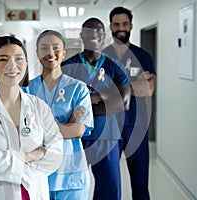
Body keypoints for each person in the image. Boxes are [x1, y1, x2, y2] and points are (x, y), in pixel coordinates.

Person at [0, 36, 63, 200]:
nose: (12, 65)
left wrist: (16, 169)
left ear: (26, 64)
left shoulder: (39, 107)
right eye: (3, 59)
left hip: (34, 193)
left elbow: (55, 154)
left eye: (19, 59)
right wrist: (30, 156)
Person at [62, 18, 131, 200]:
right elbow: (64, 105)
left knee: (109, 189)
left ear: (104, 35)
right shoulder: (67, 67)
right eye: (89, 31)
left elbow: (123, 102)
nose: (94, 34)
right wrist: (109, 94)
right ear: (82, 35)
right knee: (72, 188)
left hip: (107, 138)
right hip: (75, 138)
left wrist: (91, 99)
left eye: (99, 30)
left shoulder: (114, 66)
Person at [23, 30, 93, 200]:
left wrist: (39, 128)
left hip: (71, 174)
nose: (50, 53)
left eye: (56, 48)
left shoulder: (78, 88)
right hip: (37, 173)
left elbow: (78, 131)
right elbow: (23, 131)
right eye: (44, 48)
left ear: (63, 53)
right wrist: (68, 122)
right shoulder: (26, 90)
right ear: (37, 53)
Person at [103, 6, 156, 200]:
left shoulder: (143, 56)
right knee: (107, 185)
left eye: (124, 24)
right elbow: (99, 93)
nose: (121, 28)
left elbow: (149, 89)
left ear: (131, 25)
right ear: (111, 27)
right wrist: (135, 85)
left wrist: (116, 87)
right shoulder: (101, 57)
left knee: (140, 185)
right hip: (109, 128)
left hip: (137, 128)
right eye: (116, 24)